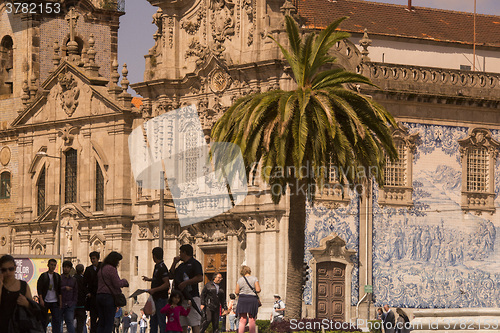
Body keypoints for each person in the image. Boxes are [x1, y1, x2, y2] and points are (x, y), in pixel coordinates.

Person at [169, 244, 204, 333]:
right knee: (182, 323)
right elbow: (171, 275)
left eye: (181, 252)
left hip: (191, 297)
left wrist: (185, 283)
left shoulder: (195, 264)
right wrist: (174, 263)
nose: (179, 254)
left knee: (194, 322)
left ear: (185, 252)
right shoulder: (180, 266)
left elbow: (200, 277)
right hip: (181, 299)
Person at [96, 251, 129, 333]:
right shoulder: (111, 269)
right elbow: (117, 283)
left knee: (101, 322)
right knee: (109, 322)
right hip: (108, 297)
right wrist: (124, 282)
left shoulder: (101, 268)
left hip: (99, 296)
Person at [0, 255, 34, 326]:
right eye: (4, 270)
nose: (8, 272)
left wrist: (26, 303)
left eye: (11, 269)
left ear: (15, 268)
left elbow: (33, 308)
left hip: (19, 326)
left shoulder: (23, 285)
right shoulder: (1, 285)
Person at [142, 247, 170, 333]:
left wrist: (154, 290)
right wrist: (150, 279)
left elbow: (166, 284)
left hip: (161, 298)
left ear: (154, 256)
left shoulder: (162, 267)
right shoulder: (157, 266)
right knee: (153, 321)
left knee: (161, 321)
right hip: (155, 298)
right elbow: (158, 279)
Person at [37, 258, 62, 333]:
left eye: (54, 265)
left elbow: (59, 290)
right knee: (44, 320)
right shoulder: (43, 276)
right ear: (48, 265)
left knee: (56, 321)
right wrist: (41, 300)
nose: (53, 267)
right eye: (51, 265)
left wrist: (60, 302)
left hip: (55, 301)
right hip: (45, 301)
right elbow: (39, 288)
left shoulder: (57, 276)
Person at [235, 266, 260, 333]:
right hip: (252, 299)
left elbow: (236, 292)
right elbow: (258, 289)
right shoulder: (254, 279)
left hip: (242, 299)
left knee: (242, 319)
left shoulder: (240, 280)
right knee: (252, 319)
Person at [84, 251, 102, 333]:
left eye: (94, 258)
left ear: (97, 259)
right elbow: (85, 283)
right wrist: (88, 293)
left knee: (102, 316)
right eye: (91, 259)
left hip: (101, 295)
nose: (92, 260)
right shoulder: (88, 269)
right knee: (93, 316)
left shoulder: (102, 267)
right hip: (93, 296)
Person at [61, 260, 78, 333]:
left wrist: (73, 303)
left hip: (70, 304)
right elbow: (56, 289)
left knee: (70, 323)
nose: (66, 269)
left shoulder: (73, 280)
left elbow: (76, 292)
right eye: (65, 267)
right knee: (59, 323)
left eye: (68, 267)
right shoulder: (59, 278)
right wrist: (64, 288)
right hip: (60, 304)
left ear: (70, 268)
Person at [75, 264, 89, 333]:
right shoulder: (83, 279)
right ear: (83, 271)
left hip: (73, 303)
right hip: (81, 304)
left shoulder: (73, 278)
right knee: (80, 323)